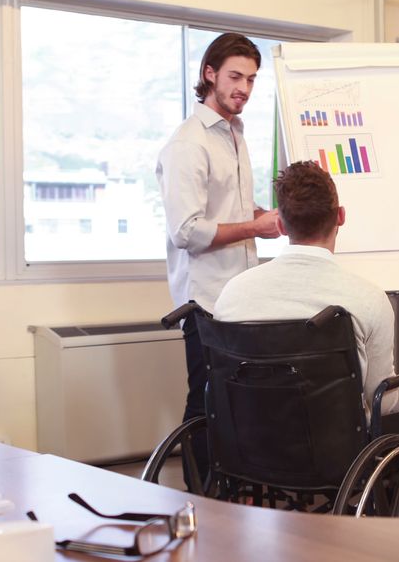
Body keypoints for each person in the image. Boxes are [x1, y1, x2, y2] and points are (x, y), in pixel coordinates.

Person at [156, 32, 280, 480]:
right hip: (205, 301)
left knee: (236, 403)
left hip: (239, 296)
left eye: (250, 79)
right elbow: (186, 231)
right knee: (205, 403)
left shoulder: (234, 133)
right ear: (209, 74)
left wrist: (265, 218)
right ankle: (201, 502)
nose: (243, 88)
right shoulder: (189, 144)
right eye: (234, 76)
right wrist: (253, 227)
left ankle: (232, 498)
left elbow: (229, 211)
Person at [214, 160, 399, 417]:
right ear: (341, 216)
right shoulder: (367, 298)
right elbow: (382, 401)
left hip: (248, 447)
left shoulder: (232, 294)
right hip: (338, 450)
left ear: (279, 224)